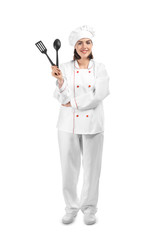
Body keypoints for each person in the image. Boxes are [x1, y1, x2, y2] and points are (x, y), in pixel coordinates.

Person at [51, 25, 110, 225]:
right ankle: (71, 207)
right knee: (68, 169)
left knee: (93, 168)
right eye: (79, 43)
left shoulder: (100, 68)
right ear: (74, 46)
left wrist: (74, 103)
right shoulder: (65, 68)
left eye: (87, 42)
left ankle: (90, 208)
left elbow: (100, 95)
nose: (84, 46)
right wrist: (60, 81)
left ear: (92, 45)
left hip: (94, 123)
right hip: (67, 125)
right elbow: (61, 98)